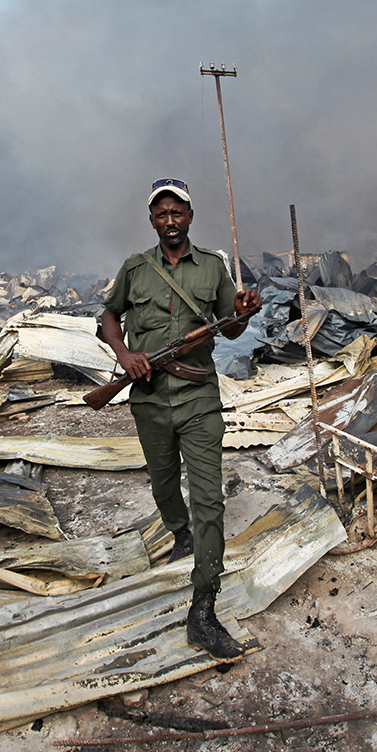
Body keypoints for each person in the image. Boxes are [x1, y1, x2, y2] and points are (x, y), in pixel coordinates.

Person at [99, 177, 262, 662]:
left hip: (197, 398)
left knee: (208, 498)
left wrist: (244, 313)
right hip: (149, 398)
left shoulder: (212, 267)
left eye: (178, 213)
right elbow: (107, 316)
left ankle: (204, 609)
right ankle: (179, 533)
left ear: (190, 217)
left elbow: (229, 328)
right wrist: (126, 354)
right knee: (165, 482)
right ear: (152, 220)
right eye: (161, 214)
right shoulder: (135, 269)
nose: (170, 221)